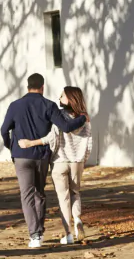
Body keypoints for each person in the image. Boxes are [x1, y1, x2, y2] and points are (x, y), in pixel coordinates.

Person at [0, 73, 87, 248]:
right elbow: (66, 127)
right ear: (42, 87)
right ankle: (40, 231)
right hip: (41, 156)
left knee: (27, 195)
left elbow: (4, 130)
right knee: (39, 193)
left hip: (21, 156)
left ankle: (35, 236)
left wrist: (11, 146)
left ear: (27, 86)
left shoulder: (15, 105)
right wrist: (83, 117)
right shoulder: (49, 105)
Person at [19, 86, 92, 245]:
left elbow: (52, 138)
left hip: (60, 162)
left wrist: (31, 143)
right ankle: (78, 219)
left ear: (70, 98)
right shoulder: (85, 119)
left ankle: (69, 234)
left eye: (62, 96)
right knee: (75, 193)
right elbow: (89, 143)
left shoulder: (60, 117)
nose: (59, 98)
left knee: (63, 198)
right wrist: (82, 161)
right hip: (77, 162)